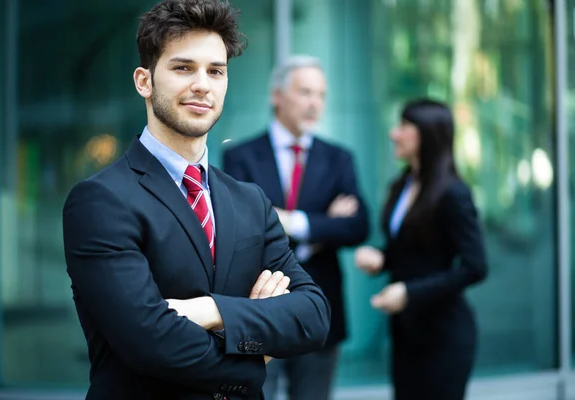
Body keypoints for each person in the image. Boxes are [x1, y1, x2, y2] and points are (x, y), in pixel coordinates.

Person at [62, 1, 331, 399]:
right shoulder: (101, 201)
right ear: (144, 81)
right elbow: (149, 342)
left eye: (215, 71)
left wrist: (210, 311)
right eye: (183, 67)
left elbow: (313, 316)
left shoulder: (250, 201)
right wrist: (259, 349)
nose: (202, 84)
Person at [223, 55, 369, 400]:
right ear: (277, 95)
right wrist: (323, 225)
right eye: (305, 92)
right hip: (258, 305)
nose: (314, 103)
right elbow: (241, 230)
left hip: (319, 310)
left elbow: (358, 226)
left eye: (321, 94)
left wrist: (292, 221)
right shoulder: (241, 157)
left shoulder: (339, 158)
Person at [354, 99, 488, 400]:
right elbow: (414, 249)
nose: (394, 134)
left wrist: (409, 293)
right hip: (406, 333)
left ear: (427, 134)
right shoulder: (403, 184)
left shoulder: (454, 193)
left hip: (443, 336)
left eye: (404, 126)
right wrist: (383, 258)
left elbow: (476, 266)